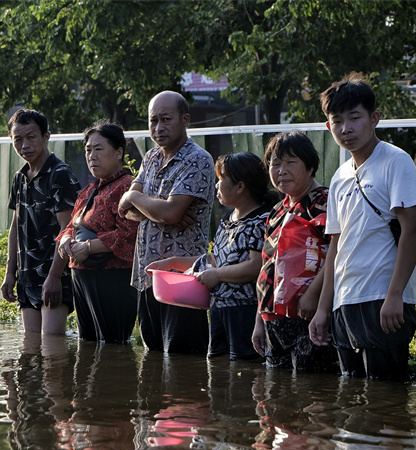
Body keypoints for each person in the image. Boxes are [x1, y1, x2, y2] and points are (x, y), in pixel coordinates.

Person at [309, 73, 416, 381]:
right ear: (328, 126)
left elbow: (413, 230)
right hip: (345, 303)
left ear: (374, 118)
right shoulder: (339, 177)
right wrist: (323, 309)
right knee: (353, 401)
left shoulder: (395, 161)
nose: (346, 129)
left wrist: (395, 295)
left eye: (355, 118)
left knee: (386, 398)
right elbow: (336, 246)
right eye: (337, 121)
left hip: (383, 300)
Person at [148, 152, 274, 360]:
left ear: (240, 187)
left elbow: (256, 266)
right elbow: (215, 259)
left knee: (245, 369)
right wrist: (173, 263)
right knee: (218, 369)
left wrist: (218, 275)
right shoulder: (227, 220)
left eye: (221, 180)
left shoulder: (260, 221)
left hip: (245, 312)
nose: (216, 185)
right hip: (218, 309)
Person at [118, 91, 215, 354]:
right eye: (153, 121)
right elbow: (124, 209)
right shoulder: (151, 157)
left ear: (185, 120)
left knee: (182, 363)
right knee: (153, 358)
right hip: (147, 276)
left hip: (181, 281)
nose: (158, 128)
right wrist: (145, 203)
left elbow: (170, 213)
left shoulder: (198, 159)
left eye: (166, 119)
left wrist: (136, 196)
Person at [251, 131, 338, 371]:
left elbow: (337, 251)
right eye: (275, 164)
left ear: (310, 167)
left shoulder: (323, 200)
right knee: (277, 394)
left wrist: (313, 295)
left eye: (291, 162)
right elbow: (267, 265)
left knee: (311, 390)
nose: (281, 170)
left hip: (308, 315)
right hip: (273, 318)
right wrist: (260, 320)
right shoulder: (277, 210)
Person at [56, 121, 138, 343]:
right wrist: (65, 239)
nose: (92, 156)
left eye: (98, 149)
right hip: (81, 277)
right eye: (88, 150)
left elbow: (129, 234)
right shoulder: (89, 190)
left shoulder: (128, 187)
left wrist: (88, 247)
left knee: (112, 347)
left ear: (119, 152)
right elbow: (73, 225)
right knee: (88, 343)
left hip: (111, 279)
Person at [0, 108, 80, 336]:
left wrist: (54, 277)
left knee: (52, 350)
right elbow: (16, 226)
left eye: (31, 137)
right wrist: (10, 273)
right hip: (27, 277)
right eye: (18, 139)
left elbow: (69, 230)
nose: (25, 145)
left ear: (46, 136)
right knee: (31, 348)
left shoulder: (60, 175)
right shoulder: (20, 177)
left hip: (55, 275)